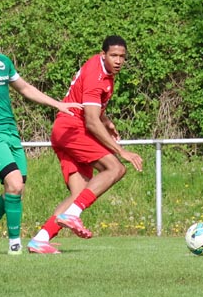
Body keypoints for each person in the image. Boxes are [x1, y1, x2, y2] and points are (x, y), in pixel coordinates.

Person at [27, 35, 143, 254]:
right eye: (114, 55)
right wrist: (121, 151)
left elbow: (91, 108)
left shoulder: (103, 71)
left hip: (65, 130)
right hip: (72, 130)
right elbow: (90, 121)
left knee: (78, 194)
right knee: (116, 168)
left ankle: (40, 240)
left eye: (122, 56)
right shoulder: (97, 75)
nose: (118, 60)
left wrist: (105, 120)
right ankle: (73, 214)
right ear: (103, 54)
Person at [0, 17, 83, 255]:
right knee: (14, 183)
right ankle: (15, 245)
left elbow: (25, 89)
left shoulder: (3, 62)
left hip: (11, 132)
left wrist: (58, 104)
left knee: (15, 191)